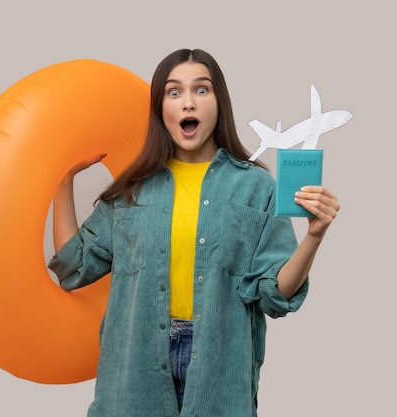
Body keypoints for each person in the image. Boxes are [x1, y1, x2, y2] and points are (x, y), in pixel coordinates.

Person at [48, 48, 340, 417]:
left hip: (221, 370)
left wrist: (314, 234)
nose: (188, 103)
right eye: (174, 92)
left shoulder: (257, 187)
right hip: (134, 370)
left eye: (201, 90)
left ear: (219, 103)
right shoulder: (133, 190)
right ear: (161, 109)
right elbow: (75, 267)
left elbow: (275, 295)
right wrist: (62, 185)